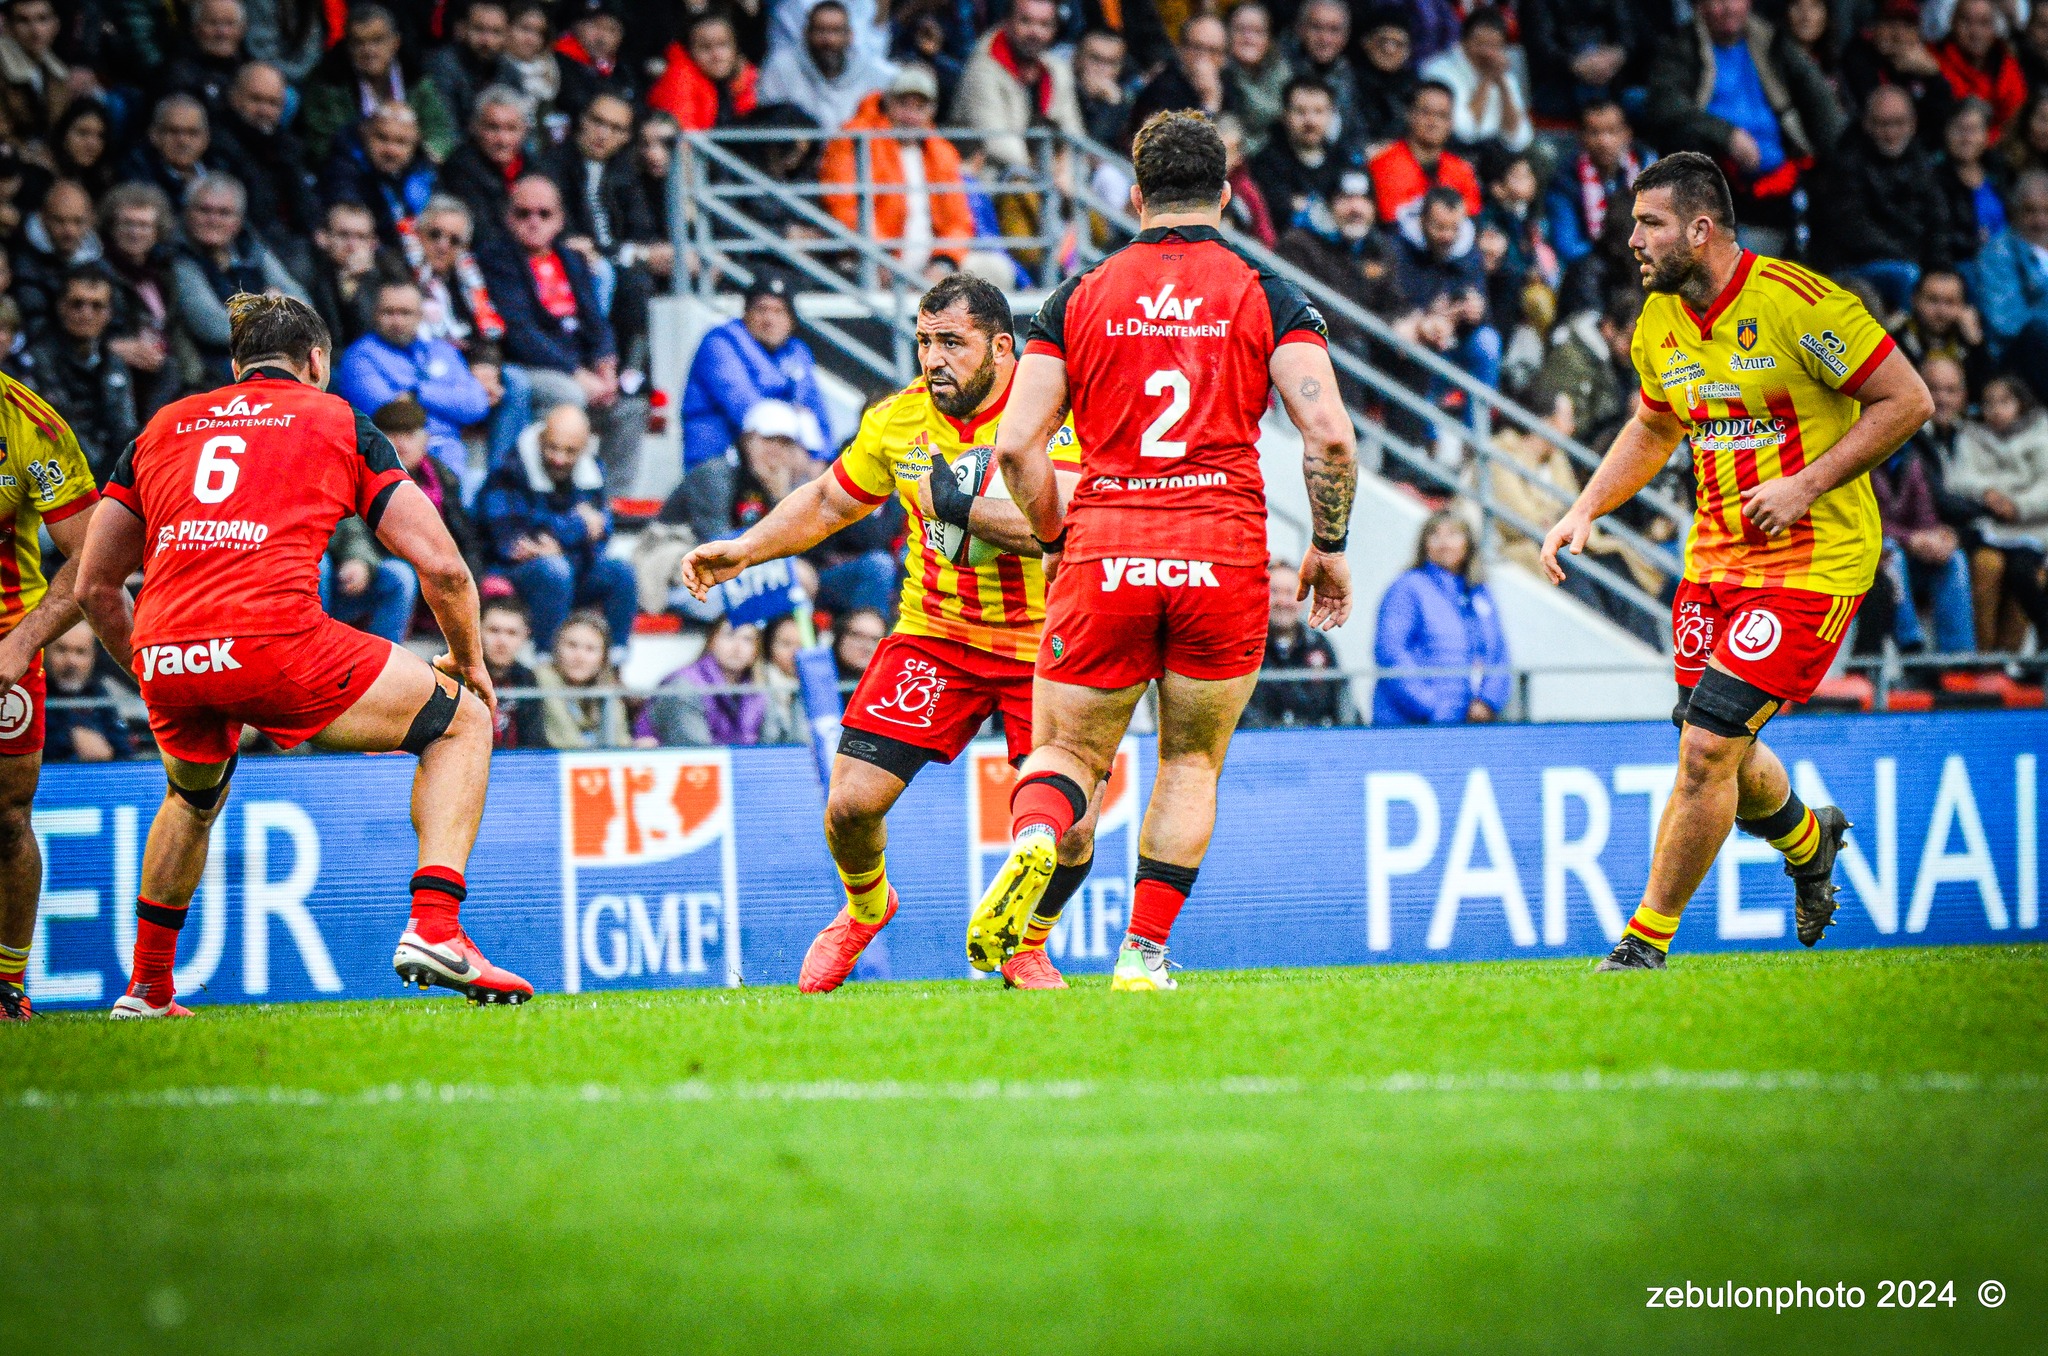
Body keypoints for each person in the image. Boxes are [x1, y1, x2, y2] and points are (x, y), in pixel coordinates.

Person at [982, 111, 1356, 992]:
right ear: (1226, 196)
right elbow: (1330, 438)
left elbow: (1013, 448)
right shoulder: (1268, 295)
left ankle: (1039, 833)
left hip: (1106, 544)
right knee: (1188, 760)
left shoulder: (1075, 298)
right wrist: (1330, 545)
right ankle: (1142, 954)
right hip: (1220, 554)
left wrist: (1050, 533)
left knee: (1070, 756)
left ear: (1137, 194)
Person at [76, 291, 530, 1015]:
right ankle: (436, 928)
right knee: (461, 722)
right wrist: (469, 661)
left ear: (235, 366)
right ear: (317, 361)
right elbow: (442, 567)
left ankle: (148, 989)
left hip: (165, 652)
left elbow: (96, 586)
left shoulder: (164, 425)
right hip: (275, 642)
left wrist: (166, 669)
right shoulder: (336, 419)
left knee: (192, 798)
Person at [1539, 151, 1933, 970]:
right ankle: (1808, 840)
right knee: (1722, 743)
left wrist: (1805, 485)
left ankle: (1642, 945)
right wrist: (1584, 508)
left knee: (1708, 749)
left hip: (1812, 564)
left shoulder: (1802, 304)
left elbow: (1909, 399)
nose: (1631, 240)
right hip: (1714, 565)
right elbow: (1654, 428)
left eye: (1648, 224)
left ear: (1701, 228)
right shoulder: (1658, 321)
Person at [677, 274, 1094, 993]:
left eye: (951, 343)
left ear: (1001, 346)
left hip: (1046, 640)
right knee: (849, 806)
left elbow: (1066, 529)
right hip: (938, 633)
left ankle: (1028, 943)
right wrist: (745, 548)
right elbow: (827, 502)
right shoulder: (899, 418)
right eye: (924, 342)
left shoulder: (1057, 407)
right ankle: (865, 908)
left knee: (1075, 831)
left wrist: (957, 505)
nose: (933, 359)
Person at [0, 368, 100, 1021]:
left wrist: (21, 643)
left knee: (6, 820)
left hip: (4, 646)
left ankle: (7, 983)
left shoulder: (31, 426)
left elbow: (91, 553)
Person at [478, 175, 644, 494]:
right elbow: (519, 333)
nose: (533, 222)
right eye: (523, 213)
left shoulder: (570, 258)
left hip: (579, 368)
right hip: (528, 366)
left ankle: (609, 499)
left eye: (544, 214)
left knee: (631, 406)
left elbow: (595, 319)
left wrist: (605, 364)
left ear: (560, 220)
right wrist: (578, 373)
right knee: (569, 395)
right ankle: (552, 494)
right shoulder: (497, 259)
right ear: (508, 218)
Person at [1644, 0, 1847, 257]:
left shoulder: (1771, 41)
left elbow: (1819, 100)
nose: (1728, 7)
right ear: (1699, 7)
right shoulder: (1681, 48)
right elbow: (1665, 105)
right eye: (1717, 1)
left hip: (1786, 174)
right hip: (1721, 180)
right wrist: (1727, 136)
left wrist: (1845, 148)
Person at [679, 271, 831, 527]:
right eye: (761, 309)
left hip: (773, 463)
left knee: (819, 473)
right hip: (718, 460)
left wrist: (818, 456)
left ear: (791, 320)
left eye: (779, 311)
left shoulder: (797, 351)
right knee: (723, 543)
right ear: (746, 313)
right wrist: (798, 421)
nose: (769, 319)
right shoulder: (720, 341)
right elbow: (753, 413)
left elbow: (817, 415)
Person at [336, 278, 492, 491]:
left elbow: (477, 405)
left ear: (420, 316)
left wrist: (418, 393)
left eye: (405, 313)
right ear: (375, 315)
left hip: (453, 454)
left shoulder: (442, 351)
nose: (397, 321)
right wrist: (450, 404)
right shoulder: (359, 357)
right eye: (389, 312)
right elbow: (393, 415)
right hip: (399, 460)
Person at [818, 66, 973, 279]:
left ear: (932, 111)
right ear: (887, 103)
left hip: (932, 267)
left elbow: (958, 221)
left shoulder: (942, 152)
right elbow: (843, 207)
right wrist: (881, 255)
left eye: (920, 107)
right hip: (872, 259)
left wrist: (944, 262)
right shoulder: (853, 140)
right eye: (903, 104)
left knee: (993, 270)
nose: (910, 116)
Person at [1808, 85, 1951, 310]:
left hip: (1910, 258)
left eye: (1899, 123)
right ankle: (1905, 343)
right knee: (1907, 276)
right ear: (1867, 123)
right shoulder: (1844, 162)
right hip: (1854, 264)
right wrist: (1914, 259)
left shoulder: (1922, 162)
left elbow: (1938, 219)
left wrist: (1939, 266)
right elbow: (1855, 230)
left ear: (1913, 124)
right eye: (1883, 124)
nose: (1891, 132)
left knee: (1955, 280)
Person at [172, 174, 312, 386]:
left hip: (263, 357)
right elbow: (212, 326)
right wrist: (270, 308)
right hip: (210, 366)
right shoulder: (177, 255)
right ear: (187, 212)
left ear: (239, 220)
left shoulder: (250, 247)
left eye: (224, 213)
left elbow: (304, 306)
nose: (213, 220)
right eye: (204, 210)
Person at [1372, 512, 1509, 724]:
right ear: (1424, 544)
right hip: (1413, 726)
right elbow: (1391, 653)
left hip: (1471, 725)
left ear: (1468, 543)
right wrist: (1431, 707)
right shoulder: (1407, 588)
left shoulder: (1480, 591)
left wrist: (1487, 701)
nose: (1444, 543)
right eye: (1435, 535)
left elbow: (1498, 652)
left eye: (1453, 534)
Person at [1946, 372, 2048, 643]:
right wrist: (1987, 493)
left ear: (2021, 403)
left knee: (2025, 573)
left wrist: (2017, 506)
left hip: (2033, 529)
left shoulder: (2042, 433)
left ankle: (2021, 653)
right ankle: (1985, 656)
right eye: (1988, 402)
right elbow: (1958, 479)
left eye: (2004, 401)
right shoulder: (1972, 436)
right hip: (1990, 527)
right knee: (1986, 566)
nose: (1995, 410)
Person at [298, 3, 458, 163]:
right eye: (359, 42)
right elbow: (324, 147)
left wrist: (417, 158)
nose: (369, 51)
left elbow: (440, 132)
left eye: (377, 41)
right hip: (351, 174)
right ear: (348, 47)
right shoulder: (328, 85)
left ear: (395, 42)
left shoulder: (416, 79)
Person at [18, 267, 135, 484]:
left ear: (109, 313)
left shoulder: (113, 362)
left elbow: (126, 429)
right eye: (77, 304)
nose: (86, 313)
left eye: (97, 306)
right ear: (61, 306)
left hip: (108, 478)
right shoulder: (37, 359)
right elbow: (60, 433)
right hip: (58, 478)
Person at [1394, 185, 1500, 391]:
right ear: (1422, 221)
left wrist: (1475, 311)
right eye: (1440, 227)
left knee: (1488, 341)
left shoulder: (1470, 252)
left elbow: (1484, 309)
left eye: (1454, 228)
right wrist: (1430, 312)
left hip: (1457, 337)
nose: (1448, 236)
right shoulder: (1397, 249)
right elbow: (1393, 301)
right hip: (1418, 338)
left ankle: (1478, 422)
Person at [635, 617, 799, 747]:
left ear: (756, 650)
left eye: (748, 639)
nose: (737, 646)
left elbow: (774, 744)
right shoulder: (684, 686)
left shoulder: (759, 690)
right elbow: (697, 752)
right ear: (712, 641)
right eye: (729, 635)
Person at [1242, 558, 1357, 728]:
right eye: (1274, 592)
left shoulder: (1320, 645)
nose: (1282, 601)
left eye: (1291, 593)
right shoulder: (1244, 647)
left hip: (1315, 746)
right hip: (1261, 746)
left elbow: (1343, 702)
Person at [319, 102, 438, 255]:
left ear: (415, 144)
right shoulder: (343, 170)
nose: (391, 150)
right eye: (382, 138)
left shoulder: (425, 173)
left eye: (401, 142)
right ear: (365, 133)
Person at [755, 0, 890, 134]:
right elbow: (768, 122)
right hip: (799, 152)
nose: (828, 40)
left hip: (855, 153)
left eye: (836, 31)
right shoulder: (780, 68)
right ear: (806, 33)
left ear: (850, 36)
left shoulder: (875, 74)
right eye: (821, 30)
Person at [1545, 100, 1651, 269]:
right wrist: (1612, 248)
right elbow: (1568, 247)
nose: (1604, 141)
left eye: (1612, 131)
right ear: (1581, 137)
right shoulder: (1565, 181)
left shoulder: (1648, 166)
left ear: (1627, 133)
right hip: (1594, 268)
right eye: (1594, 133)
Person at [1418, 6, 1532, 154]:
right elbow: (1465, 131)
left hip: (1497, 153)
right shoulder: (1439, 71)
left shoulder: (1503, 75)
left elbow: (1520, 138)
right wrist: (1486, 80)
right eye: (1481, 44)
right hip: (1455, 150)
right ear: (1463, 41)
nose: (1488, 53)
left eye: (1495, 46)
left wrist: (1503, 86)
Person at [1368, 80, 1481, 223]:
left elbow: (1473, 220)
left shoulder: (1462, 170)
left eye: (1442, 115)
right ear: (1410, 115)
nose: (1433, 122)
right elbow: (1391, 220)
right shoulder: (1383, 164)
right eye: (1426, 112)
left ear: (1451, 123)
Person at [1251, 75, 1352, 233]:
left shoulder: (1343, 159)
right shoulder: (1265, 163)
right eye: (1300, 111)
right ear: (1285, 115)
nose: (1310, 121)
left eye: (1318, 111)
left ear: (1332, 115)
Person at [437, 85, 534, 247]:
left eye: (511, 129)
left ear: (524, 131)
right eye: (493, 128)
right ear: (476, 128)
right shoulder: (460, 168)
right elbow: (483, 234)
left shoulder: (533, 167)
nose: (502, 140)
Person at [646, 10, 760, 131]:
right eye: (705, 47)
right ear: (689, 51)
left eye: (723, 44)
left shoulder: (738, 80)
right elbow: (685, 142)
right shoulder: (679, 80)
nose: (717, 55)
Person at [40, 619, 133, 762]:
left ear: (93, 656)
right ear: (45, 652)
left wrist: (106, 752)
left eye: (80, 652)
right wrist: (69, 738)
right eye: (62, 649)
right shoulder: (33, 695)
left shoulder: (99, 694)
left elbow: (125, 749)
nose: (71, 661)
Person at [533, 609, 628, 748]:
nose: (579, 657)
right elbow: (566, 741)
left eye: (590, 649)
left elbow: (622, 744)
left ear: (603, 657)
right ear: (556, 648)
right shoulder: (542, 677)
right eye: (572, 645)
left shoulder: (608, 686)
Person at [1933, 0, 2025, 142]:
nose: (1975, 32)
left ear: (1994, 28)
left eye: (1984, 23)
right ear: (1952, 23)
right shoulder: (1933, 61)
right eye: (1966, 21)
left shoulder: (2007, 66)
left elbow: (2012, 122)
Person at [1892, 266, 1994, 393]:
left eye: (1950, 302)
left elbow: (1987, 393)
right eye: (1933, 300)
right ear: (1914, 299)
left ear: (1963, 305)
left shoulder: (1969, 342)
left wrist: (1976, 344)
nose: (1941, 311)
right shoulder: (1895, 342)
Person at [426, 0, 519, 131]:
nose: (487, 41)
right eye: (479, 29)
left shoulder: (509, 71)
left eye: (496, 32)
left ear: (506, 35)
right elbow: (444, 130)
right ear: (462, 29)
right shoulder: (442, 66)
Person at [1129, 12, 1229, 129]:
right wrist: (1209, 104)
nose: (1204, 57)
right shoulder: (1163, 86)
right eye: (1197, 47)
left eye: (1213, 51)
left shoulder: (1228, 82)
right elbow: (1174, 143)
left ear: (1224, 58)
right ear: (1181, 49)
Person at [479, 594, 545, 747]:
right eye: (494, 630)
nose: (502, 641)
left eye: (511, 633)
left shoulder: (528, 679)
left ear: (525, 636)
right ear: (477, 631)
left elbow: (534, 742)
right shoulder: (449, 674)